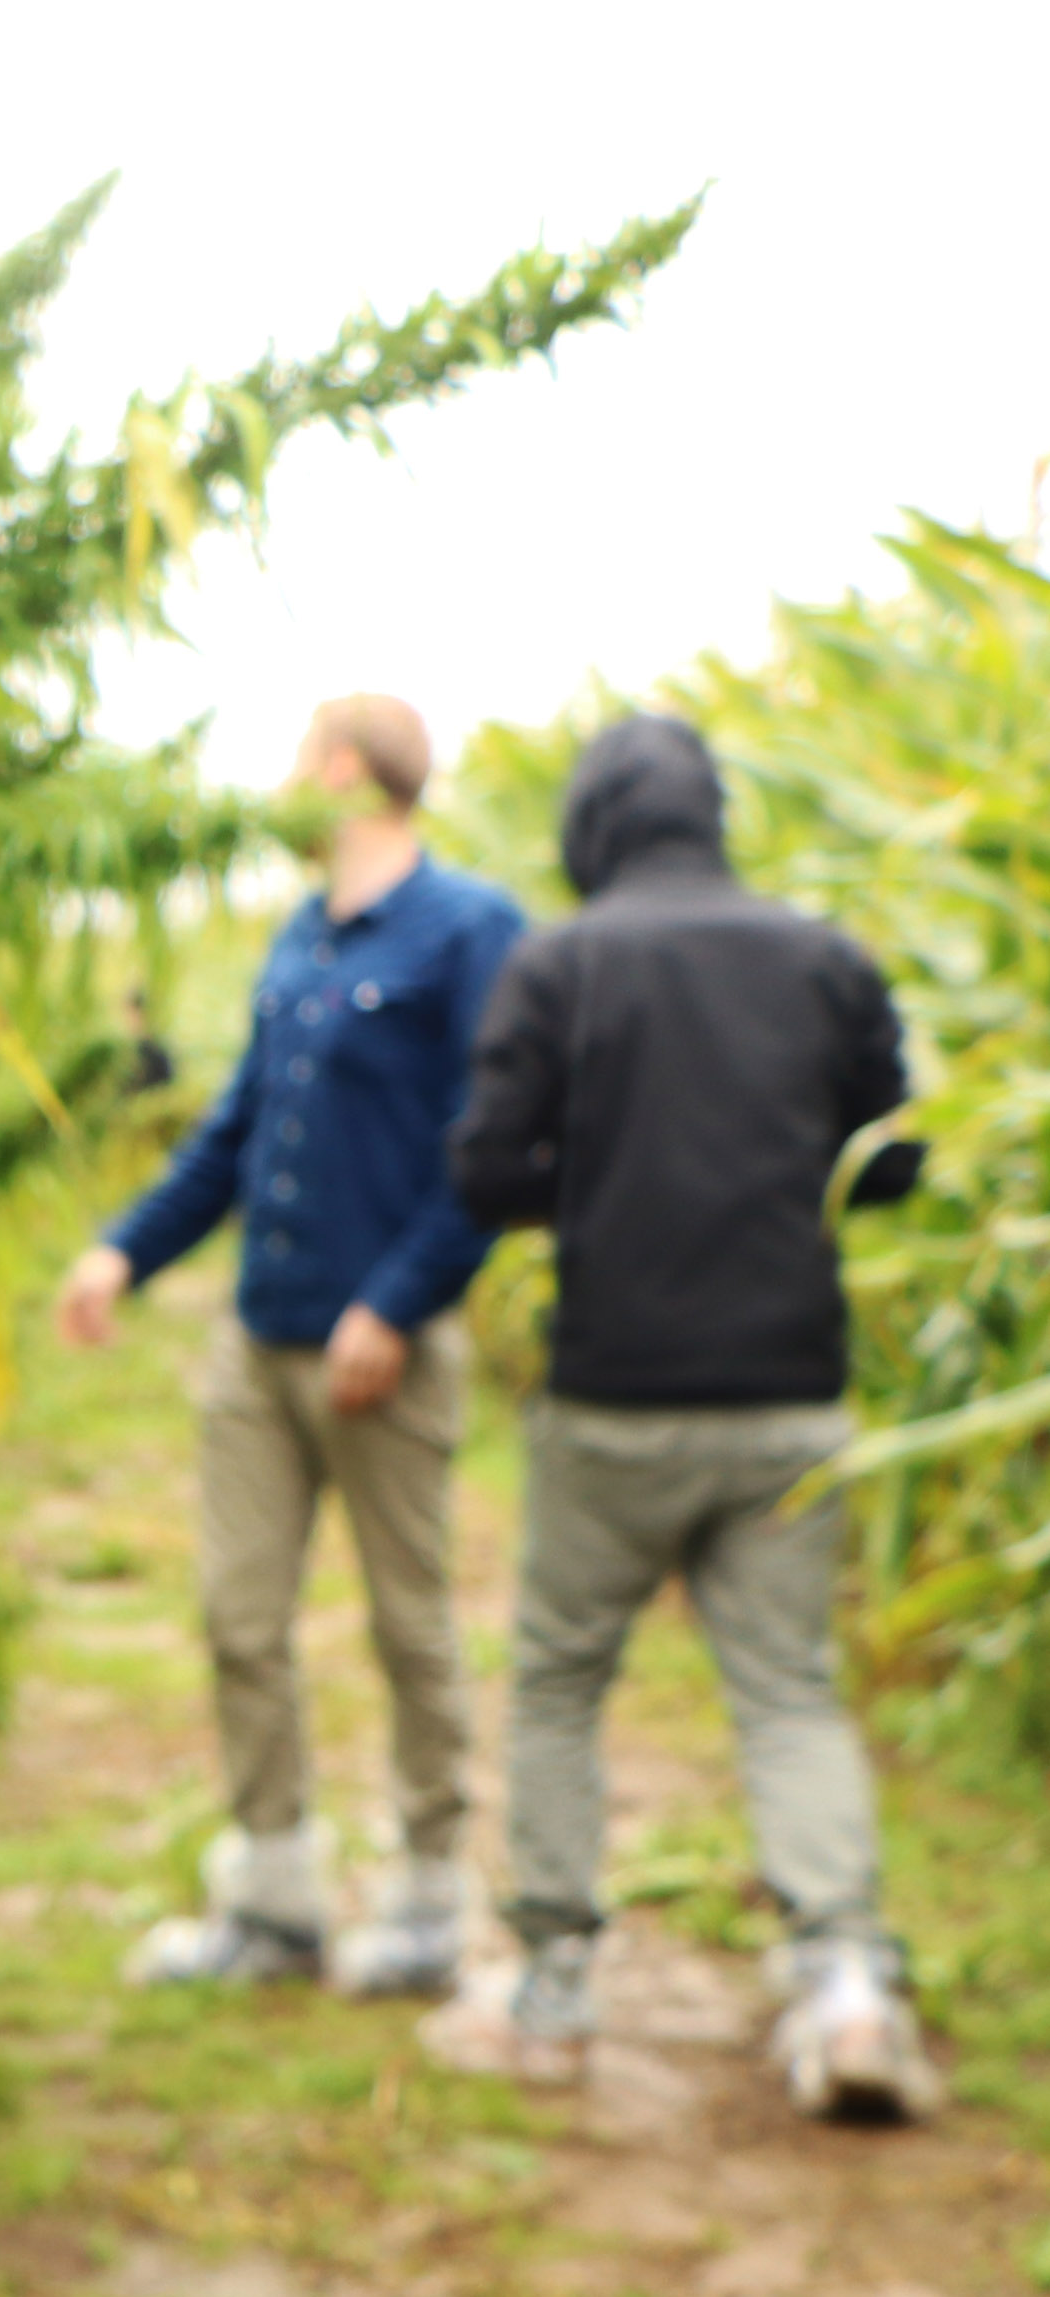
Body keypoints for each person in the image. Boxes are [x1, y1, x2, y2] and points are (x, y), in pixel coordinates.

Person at [444, 712, 933, 2115]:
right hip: (789, 1393)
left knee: (559, 1681)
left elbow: (483, 1175)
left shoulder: (563, 963)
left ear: (592, 826)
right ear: (715, 813)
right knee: (787, 1692)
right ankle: (844, 1986)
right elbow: (889, 1163)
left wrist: (593, 1191)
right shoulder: (823, 959)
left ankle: (551, 1986)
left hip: (616, 1397)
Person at [58, 697, 526, 1997]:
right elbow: (234, 1131)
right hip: (260, 1346)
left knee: (407, 1624)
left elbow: (492, 1147)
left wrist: (397, 1303)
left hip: (381, 1351)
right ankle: (273, 1902)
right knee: (238, 1617)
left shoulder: (469, 930)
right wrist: (124, 1250)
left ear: (342, 772)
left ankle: (432, 1900)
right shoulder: (298, 939)